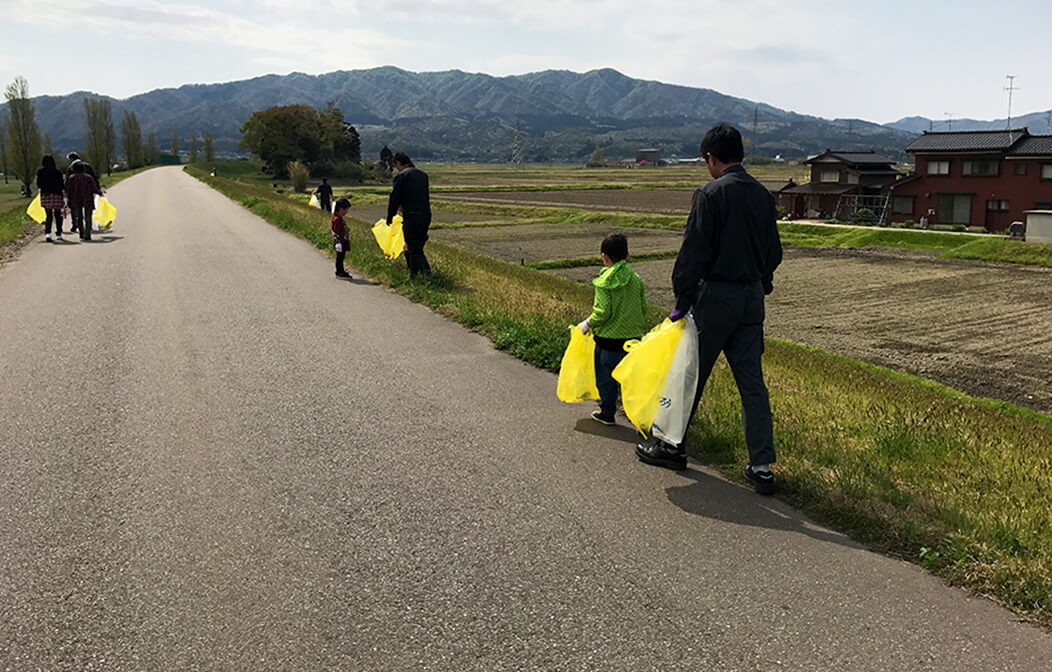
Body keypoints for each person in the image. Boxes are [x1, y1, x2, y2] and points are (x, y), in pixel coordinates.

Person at [636, 123, 783, 495]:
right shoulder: (764, 197)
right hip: (751, 300)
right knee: (752, 382)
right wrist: (760, 283)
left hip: (715, 298)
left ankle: (670, 444)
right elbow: (774, 253)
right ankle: (761, 465)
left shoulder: (710, 194)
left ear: (711, 158)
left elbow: (693, 255)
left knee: (689, 375)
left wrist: (680, 303)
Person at [577, 233, 646, 426]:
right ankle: (639, 415)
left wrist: (587, 324)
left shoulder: (604, 281)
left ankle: (607, 413)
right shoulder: (636, 280)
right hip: (632, 340)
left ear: (604, 257)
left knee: (606, 380)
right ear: (628, 255)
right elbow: (643, 307)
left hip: (608, 342)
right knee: (631, 380)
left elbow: (602, 312)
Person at [386, 152, 432, 277]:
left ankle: (419, 275)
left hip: (411, 215)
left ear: (398, 163)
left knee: (413, 248)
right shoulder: (423, 175)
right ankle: (416, 272)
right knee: (415, 246)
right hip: (426, 215)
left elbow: (394, 198)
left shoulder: (402, 176)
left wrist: (390, 216)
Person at [65, 161, 101, 241]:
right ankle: (87, 233)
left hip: (76, 199)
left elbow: (69, 189)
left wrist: (68, 199)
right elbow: (93, 187)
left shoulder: (71, 178)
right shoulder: (88, 177)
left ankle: (81, 233)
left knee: (79, 217)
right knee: (88, 216)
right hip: (87, 198)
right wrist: (99, 192)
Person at [36, 155, 66, 242]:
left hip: (46, 195)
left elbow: (39, 184)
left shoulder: (40, 172)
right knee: (57, 215)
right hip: (57, 195)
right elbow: (61, 185)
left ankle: (48, 233)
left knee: (48, 216)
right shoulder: (58, 172)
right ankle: (59, 233)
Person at [331, 198, 352, 278]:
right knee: (340, 257)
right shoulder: (337, 219)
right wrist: (338, 242)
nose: (347, 212)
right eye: (346, 210)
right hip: (340, 242)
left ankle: (341, 270)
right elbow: (336, 231)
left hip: (343, 242)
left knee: (341, 257)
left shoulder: (339, 218)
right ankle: (339, 271)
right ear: (341, 209)